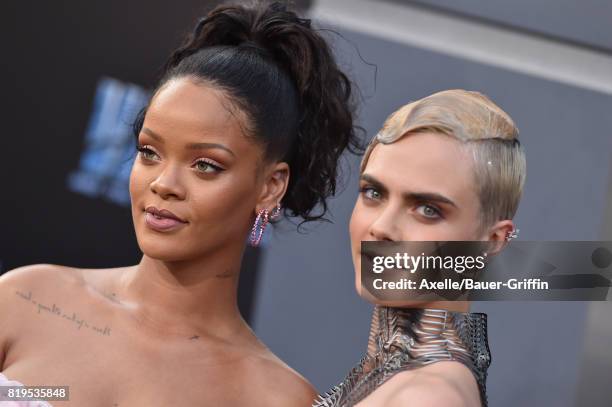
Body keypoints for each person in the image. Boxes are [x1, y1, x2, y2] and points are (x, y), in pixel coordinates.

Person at [0, 2, 362, 406]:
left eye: (205, 165)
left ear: (270, 186)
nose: (163, 184)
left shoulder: (276, 397)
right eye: (150, 152)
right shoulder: (25, 298)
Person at [313, 89, 526, 407]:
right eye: (373, 193)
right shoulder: (403, 378)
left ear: (491, 242)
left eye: (428, 209)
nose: (382, 227)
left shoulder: (424, 398)